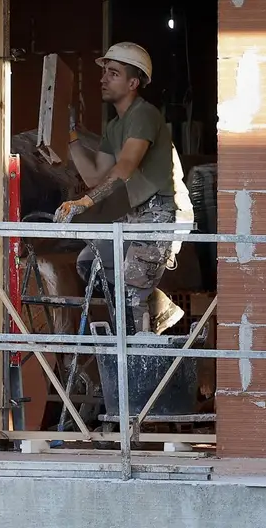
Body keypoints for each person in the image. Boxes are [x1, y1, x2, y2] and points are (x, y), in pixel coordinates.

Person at [57, 41, 187, 334]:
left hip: (157, 218)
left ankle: (139, 362)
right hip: (131, 215)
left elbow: (125, 167)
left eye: (112, 73)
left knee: (130, 299)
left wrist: (86, 203)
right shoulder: (115, 127)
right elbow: (94, 176)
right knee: (89, 263)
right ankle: (157, 305)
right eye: (104, 72)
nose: (103, 79)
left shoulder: (144, 114)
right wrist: (69, 135)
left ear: (133, 82)